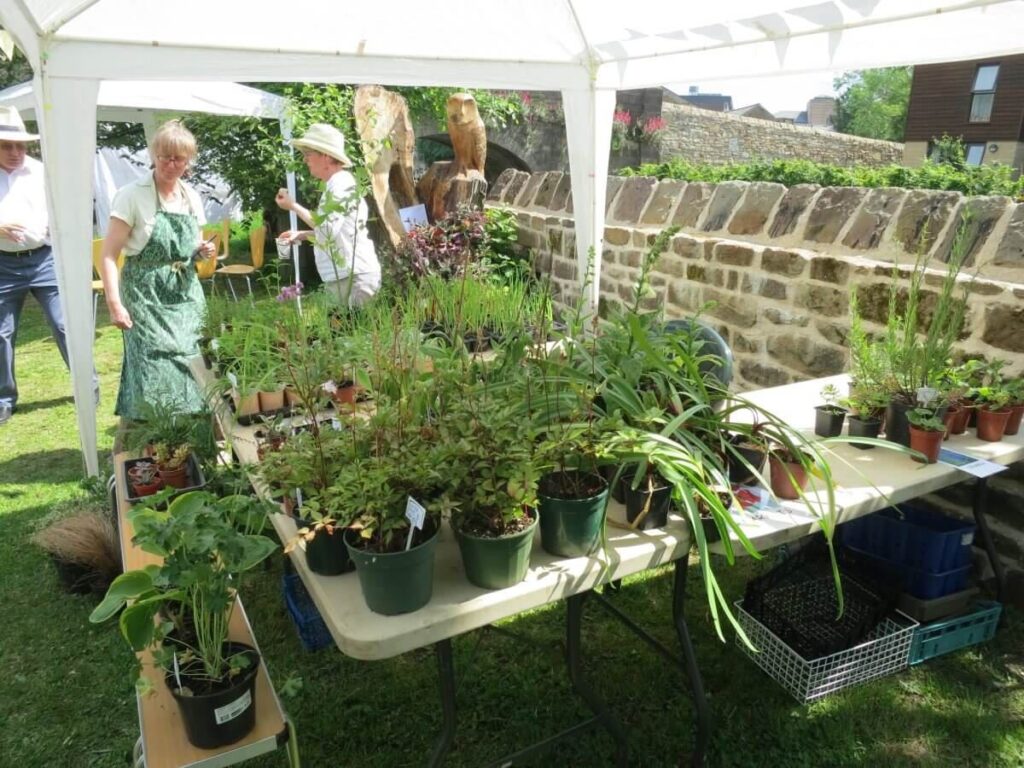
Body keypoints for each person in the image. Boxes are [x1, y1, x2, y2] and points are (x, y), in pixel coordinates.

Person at [100, 120, 216, 421]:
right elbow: (109, 255)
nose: (170, 163)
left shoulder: (191, 196)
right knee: (153, 364)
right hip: (144, 292)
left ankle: (195, 438)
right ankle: (155, 439)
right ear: (154, 155)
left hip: (185, 291)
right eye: (164, 156)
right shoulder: (131, 195)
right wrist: (115, 304)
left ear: (188, 160)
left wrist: (201, 252)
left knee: (195, 359)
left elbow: (190, 248)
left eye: (178, 158)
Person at [0, 106, 74, 426]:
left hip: (44, 259)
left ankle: (87, 385)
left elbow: (64, 209)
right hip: (3, 265)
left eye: (21, 145)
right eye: (7, 145)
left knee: (64, 324)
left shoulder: (42, 171)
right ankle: (4, 399)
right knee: (2, 334)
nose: (16, 152)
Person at [275, 124, 381, 307]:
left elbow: (327, 230)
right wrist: (302, 234)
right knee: (343, 333)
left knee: (353, 333)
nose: (305, 160)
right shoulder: (336, 183)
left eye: (308, 154)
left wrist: (293, 206)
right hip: (347, 276)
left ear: (325, 156)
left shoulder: (340, 184)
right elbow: (334, 232)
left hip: (353, 277)